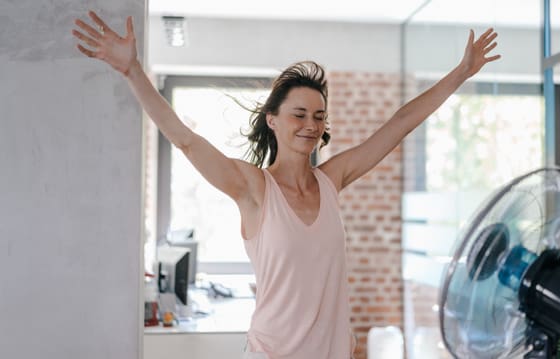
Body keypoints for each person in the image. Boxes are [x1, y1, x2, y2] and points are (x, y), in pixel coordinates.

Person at [72, 11, 500, 359]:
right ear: (273, 120)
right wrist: (132, 72)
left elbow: (400, 124)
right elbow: (185, 139)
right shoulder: (253, 188)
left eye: (319, 116)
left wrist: (461, 73)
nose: (311, 125)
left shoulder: (332, 179)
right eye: (300, 114)